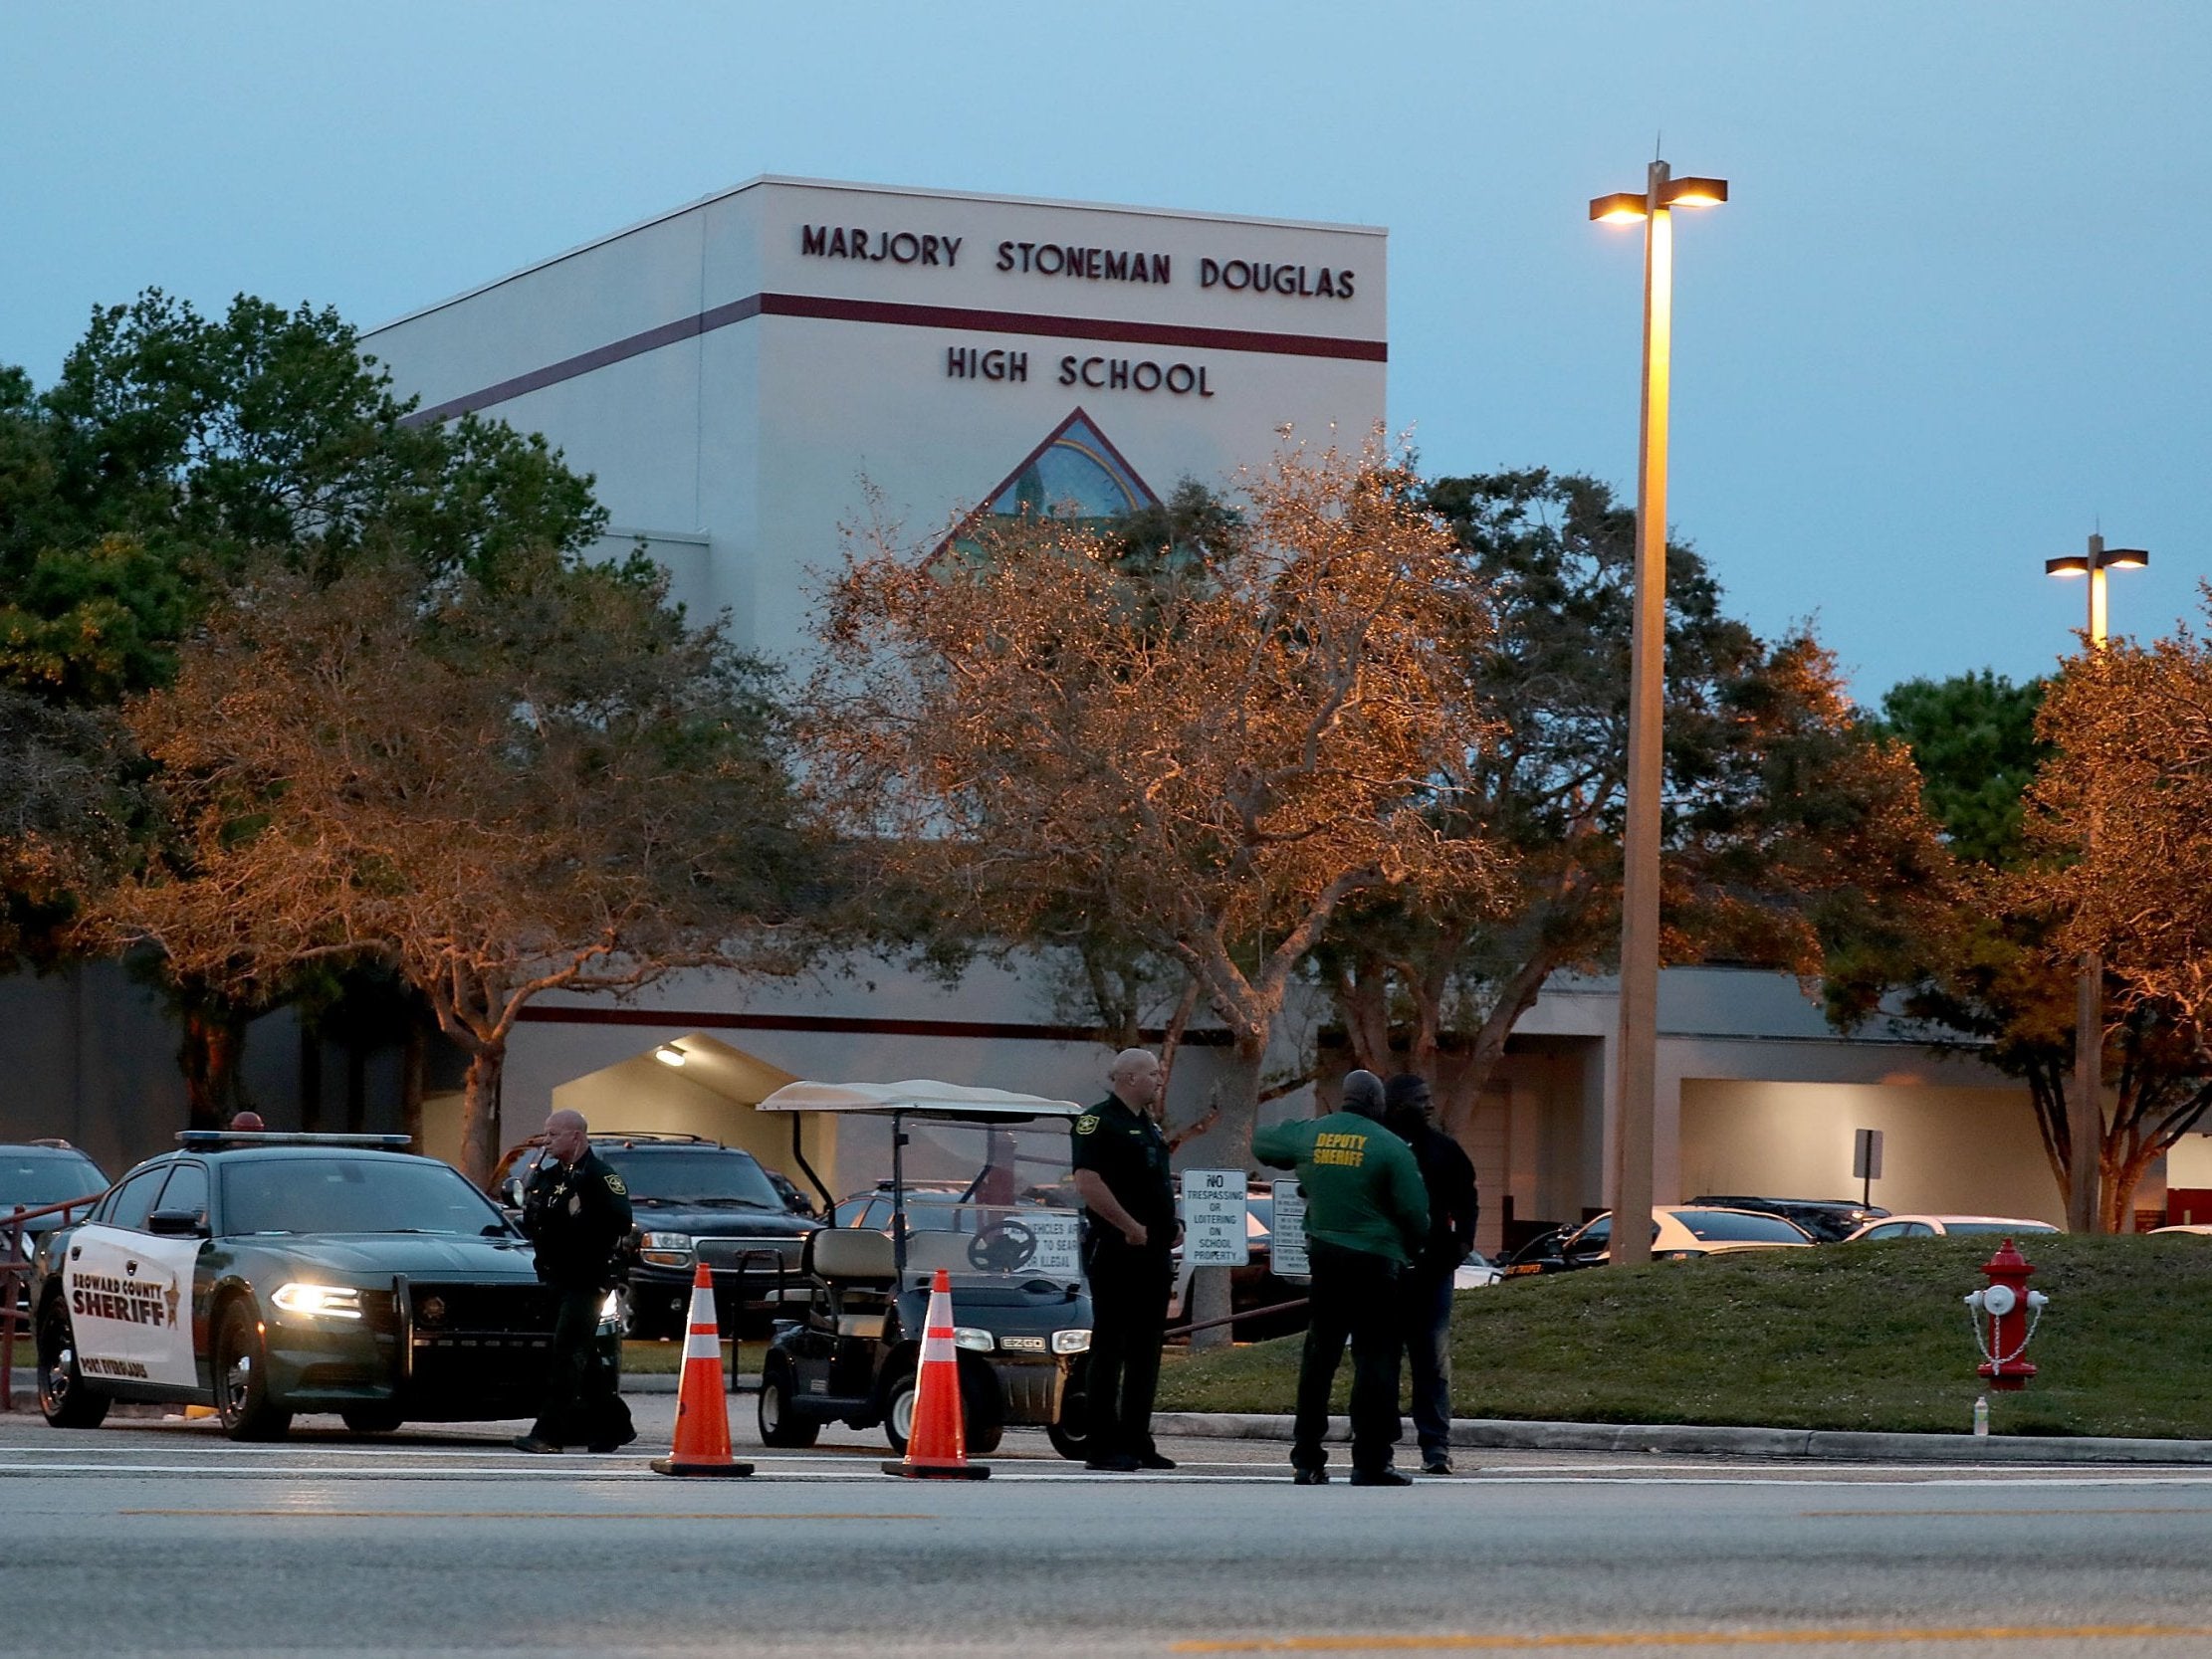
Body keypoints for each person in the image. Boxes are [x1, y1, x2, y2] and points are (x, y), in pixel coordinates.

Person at [1253, 1070, 1429, 1486]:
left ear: (1344, 1098)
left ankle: (1307, 1458)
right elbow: (1415, 1214)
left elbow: (1263, 1141)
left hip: (1325, 1258)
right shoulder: (1390, 1146)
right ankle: (1371, 1461)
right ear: (1377, 1103)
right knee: (1375, 1360)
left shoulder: (1312, 1135)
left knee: (1320, 1357)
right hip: (1375, 1261)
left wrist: (1306, 1170)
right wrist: (1413, 1247)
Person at [1069, 1047, 1179, 1473]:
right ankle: (1102, 1442)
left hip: (1152, 1251)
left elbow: (1151, 1182)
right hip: (1117, 1250)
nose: (1159, 1078)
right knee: (1111, 1344)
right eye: (1152, 1073)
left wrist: (1171, 1224)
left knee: (1147, 1348)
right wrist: (1129, 1225)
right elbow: (1087, 1181)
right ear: (1129, 1078)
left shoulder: (1146, 1125)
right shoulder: (1098, 1121)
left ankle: (1137, 1438)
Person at [512, 1109, 637, 1454]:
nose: (547, 1141)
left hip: (588, 1279)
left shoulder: (599, 1176)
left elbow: (621, 1221)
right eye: (546, 1134)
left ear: (576, 1137)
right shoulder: (551, 1177)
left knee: (566, 1354)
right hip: (557, 1277)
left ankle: (548, 1433)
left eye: (554, 1135)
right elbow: (535, 1217)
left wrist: (580, 1219)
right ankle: (615, 1426)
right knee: (587, 1356)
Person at [1383, 1073, 1479, 1476]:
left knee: (1432, 1362)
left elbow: (1468, 1199)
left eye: (1429, 1097)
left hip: (1433, 1270)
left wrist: (1462, 1244)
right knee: (1382, 1360)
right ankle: (1379, 1445)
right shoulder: (1380, 1147)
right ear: (1397, 1102)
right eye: (1420, 1098)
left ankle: (1435, 1447)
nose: (1429, 1104)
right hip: (1385, 1269)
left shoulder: (1444, 1150)